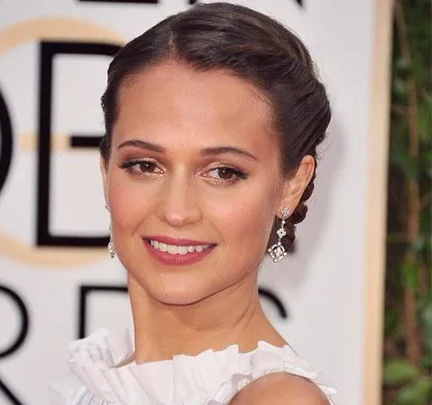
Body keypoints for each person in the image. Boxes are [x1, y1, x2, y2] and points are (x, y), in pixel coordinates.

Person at [51, 2, 337, 404]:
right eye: (145, 165)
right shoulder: (97, 383)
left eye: (222, 172)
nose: (176, 210)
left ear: (292, 185)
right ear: (106, 172)